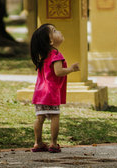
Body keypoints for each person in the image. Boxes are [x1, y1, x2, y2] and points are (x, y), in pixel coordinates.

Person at [29, 24, 80, 153]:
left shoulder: (44, 55)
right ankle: (53, 143)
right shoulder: (56, 54)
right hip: (51, 93)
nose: (59, 31)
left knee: (39, 118)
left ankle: (38, 143)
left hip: (40, 93)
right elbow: (58, 72)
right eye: (54, 31)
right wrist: (71, 69)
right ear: (51, 41)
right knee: (54, 117)